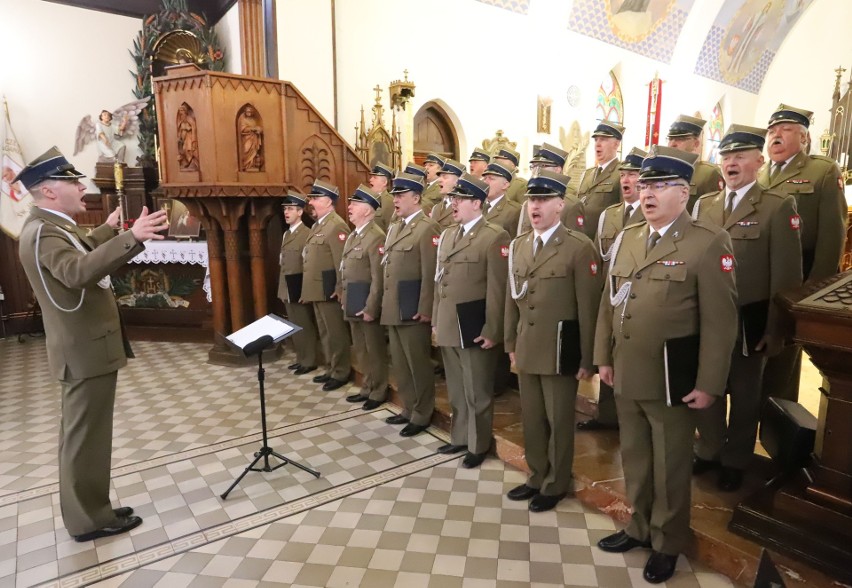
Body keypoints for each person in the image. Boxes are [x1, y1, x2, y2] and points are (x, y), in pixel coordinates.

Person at [594, 146, 737, 584]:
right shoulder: (630, 236)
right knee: (635, 457)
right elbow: (608, 303)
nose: (647, 192)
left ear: (684, 192)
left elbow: (721, 321)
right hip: (627, 370)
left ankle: (668, 541)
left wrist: (709, 383)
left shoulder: (707, 242)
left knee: (671, 464)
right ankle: (639, 526)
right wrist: (602, 357)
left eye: (658, 186)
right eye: (645, 185)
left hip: (673, 376)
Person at [15, 146, 168, 541]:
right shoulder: (45, 231)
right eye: (72, 181)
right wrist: (130, 237)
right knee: (86, 439)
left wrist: (108, 231)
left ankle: (94, 507)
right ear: (49, 191)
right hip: (83, 350)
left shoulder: (53, 226)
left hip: (85, 348)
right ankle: (90, 520)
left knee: (88, 436)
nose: (82, 186)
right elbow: (76, 271)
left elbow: (75, 251)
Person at [692, 125, 803, 491]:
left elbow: (786, 276)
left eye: (740, 156)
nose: (731, 163)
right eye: (725, 157)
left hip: (748, 318)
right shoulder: (704, 205)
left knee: (744, 392)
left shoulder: (777, 206)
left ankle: (735, 458)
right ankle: (708, 448)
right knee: (705, 383)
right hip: (705, 316)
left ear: (759, 161)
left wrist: (777, 328)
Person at [504, 170, 603, 513]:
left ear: (560, 204)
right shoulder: (518, 245)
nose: (536, 206)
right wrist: (509, 341)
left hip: (562, 349)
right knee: (531, 417)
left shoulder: (578, 247)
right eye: (532, 199)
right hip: (527, 345)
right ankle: (536, 475)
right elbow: (511, 301)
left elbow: (589, 308)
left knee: (559, 420)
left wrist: (588, 359)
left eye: (544, 199)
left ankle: (556, 481)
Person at [758, 103, 847, 403]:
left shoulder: (821, 171)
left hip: (797, 277)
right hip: (757, 279)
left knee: (783, 357)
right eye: (771, 131)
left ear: (805, 138)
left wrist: (812, 294)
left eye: (785, 130)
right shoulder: (759, 174)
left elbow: (831, 237)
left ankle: (778, 428)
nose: (775, 136)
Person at [433, 173, 510, 468]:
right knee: (456, 387)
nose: (453, 204)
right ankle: (460, 437)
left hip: (475, 323)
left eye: (460, 199)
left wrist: (493, 328)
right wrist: (437, 318)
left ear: (476, 202)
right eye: (453, 198)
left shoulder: (494, 236)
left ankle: (478, 445)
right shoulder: (450, 234)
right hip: (450, 321)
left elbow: (497, 288)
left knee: (477, 389)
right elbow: (441, 281)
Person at [576, 147, 646, 432]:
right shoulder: (610, 215)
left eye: (634, 174)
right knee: (608, 354)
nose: (626, 179)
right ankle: (606, 415)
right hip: (611, 295)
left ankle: (633, 419)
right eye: (624, 174)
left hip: (639, 301)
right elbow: (597, 255)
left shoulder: (651, 213)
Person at [381, 172, 441, 437]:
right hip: (394, 305)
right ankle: (407, 407)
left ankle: (422, 412)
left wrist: (426, 308)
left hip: (414, 306)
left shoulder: (427, 228)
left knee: (417, 363)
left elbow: (430, 273)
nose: (396, 200)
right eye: (394, 195)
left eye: (401, 195)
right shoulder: (395, 226)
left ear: (416, 198)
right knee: (401, 362)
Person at [340, 185, 389, 411]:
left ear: (368, 210)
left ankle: (378, 390)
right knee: (360, 348)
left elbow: (377, 278)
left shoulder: (376, 237)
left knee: (374, 349)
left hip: (367, 302)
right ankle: (367, 386)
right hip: (353, 299)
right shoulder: (354, 235)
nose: (349, 207)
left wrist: (371, 306)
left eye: (355, 204)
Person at [300, 180, 352, 391]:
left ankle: (341, 371)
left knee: (335, 332)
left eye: (316, 199)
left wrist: (340, 287)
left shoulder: (336, 225)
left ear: (329, 201)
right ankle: (331, 367)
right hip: (317, 288)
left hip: (329, 287)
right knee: (325, 332)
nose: (312, 202)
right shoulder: (319, 224)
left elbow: (342, 261)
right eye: (312, 198)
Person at [277, 192, 321, 375]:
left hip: (298, 284)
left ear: (300, 212)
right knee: (294, 324)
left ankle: (309, 360)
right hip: (286, 284)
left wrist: (306, 290)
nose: (286, 212)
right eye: (285, 209)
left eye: (290, 209)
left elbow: (309, 265)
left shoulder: (306, 234)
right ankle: (300, 357)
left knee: (304, 324)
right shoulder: (287, 234)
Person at [518, 143, 585, 235]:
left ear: (557, 169)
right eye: (534, 166)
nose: (536, 171)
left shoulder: (571, 203)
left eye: (542, 166)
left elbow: (575, 242)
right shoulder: (528, 202)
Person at [666, 114, 724, 212]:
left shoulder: (707, 174)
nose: (672, 144)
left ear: (696, 143)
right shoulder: (663, 171)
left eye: (680, 139)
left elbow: (715, 214)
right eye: (670, 139)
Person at [577, 121, 624, 239]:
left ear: (616, 144)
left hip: (602, 241)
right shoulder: (587, 174)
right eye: (596, 140)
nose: (597, 144)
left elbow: (623, 212)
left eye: (603, 139)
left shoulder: (621, 174)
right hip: (581, 239)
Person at [482, 162, 522, 235]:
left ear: (505, 185)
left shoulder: (514, 211)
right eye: (485, 178)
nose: (486, 182)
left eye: (491, 178)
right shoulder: (477, 207)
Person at [431, 159, 465, 229]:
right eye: (439, 176)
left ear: (457, 181)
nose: (439, 180)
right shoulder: (436, 208)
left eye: (444, 177)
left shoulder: (464, 207)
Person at [367, 162, 395, 230]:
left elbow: (390, 229)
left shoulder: (389, 201)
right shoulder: (369, 198)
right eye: (371, 177)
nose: (370, 180)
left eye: (375, 177)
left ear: (384, 182)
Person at [239, 106, 264, 171]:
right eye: (247, 111)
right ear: (245, 112)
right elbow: (243, 129)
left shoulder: (254, 120)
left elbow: (257, 128)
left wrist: (258, 130)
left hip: (254, 138)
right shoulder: (243, 120)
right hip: (247, 138)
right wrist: (253, 128)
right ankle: (247, 165)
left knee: (254, 151)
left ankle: (253, 165)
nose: (249, 113)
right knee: (246, 150)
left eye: (250, 111)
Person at [176, 103, 199, 171]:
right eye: (180, 111)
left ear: (185, 111)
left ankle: (193, 163)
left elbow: (193, 126)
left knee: (188, 149)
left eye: (182, 111)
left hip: (189, 137)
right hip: (184, 138)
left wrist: (194, 138)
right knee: (184, 149)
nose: (181, 113)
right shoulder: (181, 120)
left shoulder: (188, 118)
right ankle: (189, 162)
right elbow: (179, 129)